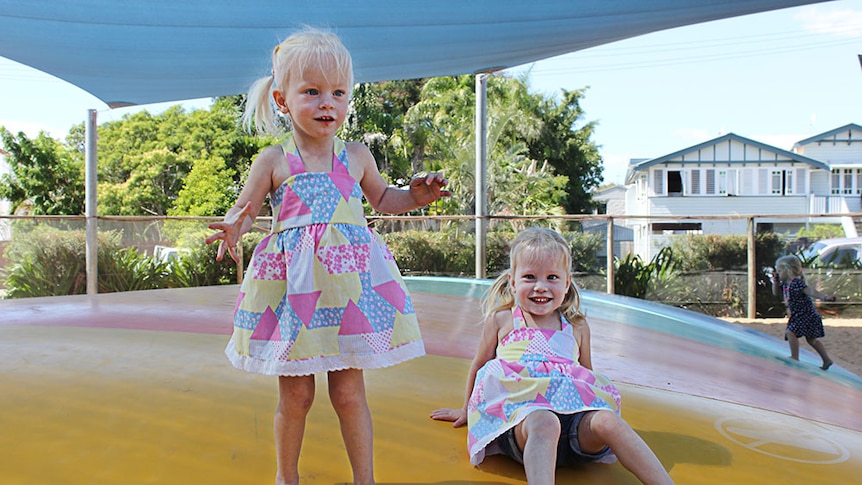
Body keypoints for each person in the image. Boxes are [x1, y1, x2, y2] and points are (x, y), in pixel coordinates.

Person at [206, 27, 450, 485]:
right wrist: (235, 226)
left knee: (349, 393)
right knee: (296, 396)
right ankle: (287, 476)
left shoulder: (356, 155)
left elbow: (383, 200)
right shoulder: (274, 160)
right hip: (296, 295)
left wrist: (414, 196)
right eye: (312, 92)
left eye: (339, 92)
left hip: (345, 293)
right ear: (282, 100)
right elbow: (247, 207)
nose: (327, 104)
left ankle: (365, 479)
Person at [430, 228, 673, 485]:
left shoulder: (576, 327)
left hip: (575, 434)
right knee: (544, 420)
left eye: (552, 277)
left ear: (567, 283)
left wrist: (600, 416)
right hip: (522, 424)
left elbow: (588, 379)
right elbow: (480, 365)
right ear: (513, 282)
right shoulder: (503, 320)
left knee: (608, 420)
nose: (540, 287)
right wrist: (467, 409)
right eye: (530, 277)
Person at [771, 255, 835, 370]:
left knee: (791, 333)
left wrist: (824, 297)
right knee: (812, 340)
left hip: (806, 315)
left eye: (779, 271)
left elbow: (810, 291)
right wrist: (775, 282)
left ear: (788, 270)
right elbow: (776, 293)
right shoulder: (785, 284)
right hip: (800, 315)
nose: (778, 273)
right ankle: (827, 360)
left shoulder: (796, 283)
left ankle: (794, 357)